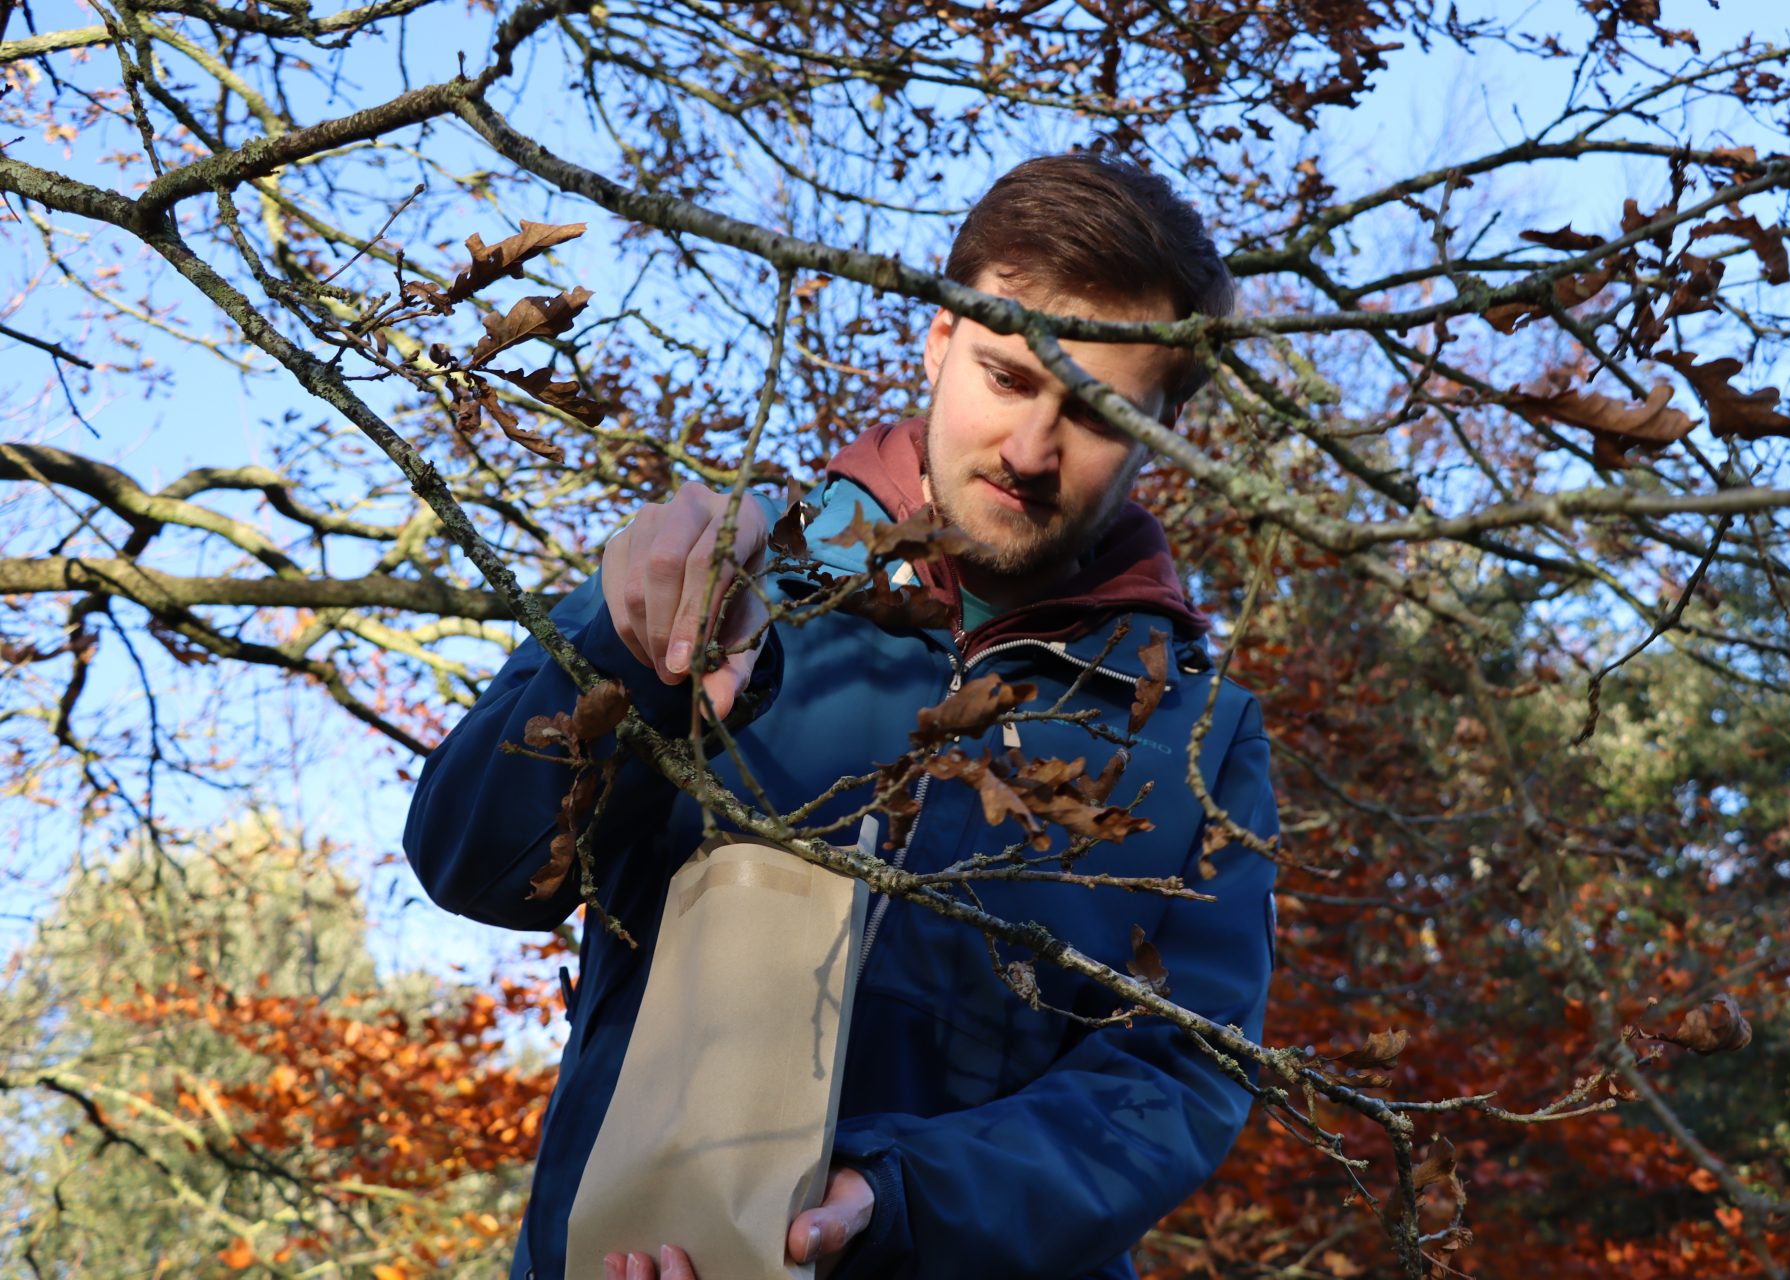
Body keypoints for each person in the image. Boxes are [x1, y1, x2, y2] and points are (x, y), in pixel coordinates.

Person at [404, 152, 1281, 1280]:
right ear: (937, 341)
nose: (1031, 451)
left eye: (1100, 410)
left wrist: (898, 1198)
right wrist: (622, 653)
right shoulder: (731, 568)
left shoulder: (1203, 738)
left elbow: (1174, 1080)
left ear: (1168, 427)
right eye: (1009, 377)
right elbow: (469, 862)